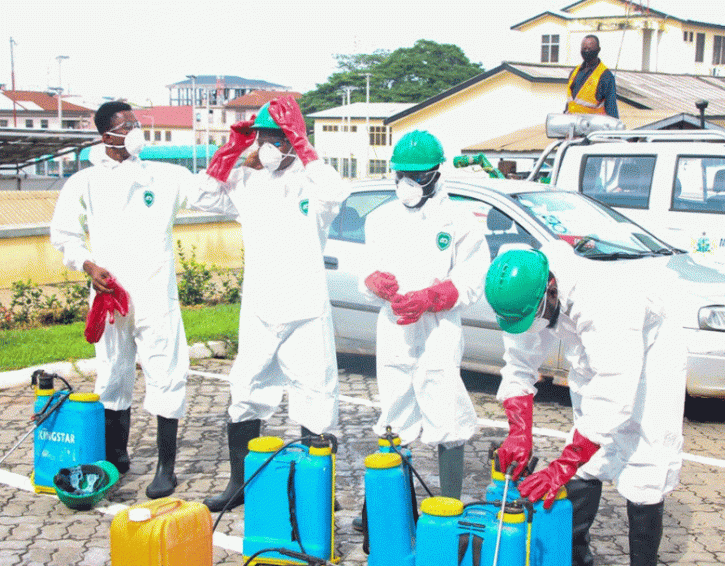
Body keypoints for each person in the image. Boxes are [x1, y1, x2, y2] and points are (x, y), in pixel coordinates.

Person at [486, 245, 686, 566]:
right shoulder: (524, 292)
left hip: (650, 342)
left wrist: (561, 465)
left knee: (645, 454)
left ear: (550, 289)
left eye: (533, 317)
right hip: (595, 344)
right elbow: (518, 363)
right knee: (588, 447)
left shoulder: (603, 299)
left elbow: (614, 393)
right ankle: (573, 548)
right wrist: (519, 430)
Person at [189, 96, 350, 512]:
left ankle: (317, 493)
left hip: (306, 311)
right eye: (261, 136)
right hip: (260, 310)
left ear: (294, 140)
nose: (267, 144)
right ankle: (238, 485)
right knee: (245, 392)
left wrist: (301, 141)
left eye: (277, 136)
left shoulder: (312, 184)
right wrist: (230, 148)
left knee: (316, 400)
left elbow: (337, 191)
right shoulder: (246, 182)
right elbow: (202, 196)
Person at [50, 101, 195, 499]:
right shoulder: (85, 183)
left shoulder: (165, 176)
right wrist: (87, 265)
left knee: (166, 372)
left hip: (155, 295)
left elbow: (212, 194)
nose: (135, 130)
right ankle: (117, 457)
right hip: (112, 295)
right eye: (126, 125)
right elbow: (64, 234)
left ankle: (166, 468)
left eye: (136, 123)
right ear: (105, 134)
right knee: (112, 375)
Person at [360, 130, 490, 500]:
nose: (408, 184)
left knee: (445, 412)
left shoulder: (459, 220)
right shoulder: (380, 219)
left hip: (438, 330)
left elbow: (471, 280)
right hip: (394, 329)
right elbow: (365, 271)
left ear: (436, 173)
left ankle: (449, 504)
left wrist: (432, 297)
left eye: (417, 176)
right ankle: (390, 510)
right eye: (402, 175)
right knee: (394, 414)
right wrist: (374, 282)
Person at [566, 35, 619, 118]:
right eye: (584, 49)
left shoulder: (606, 76)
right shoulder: (574, 72)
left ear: (598, 50)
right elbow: (570, 103)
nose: (586, 51)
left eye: (590, 49)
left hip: (593, 127)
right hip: (572, 125)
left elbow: (612, 109)